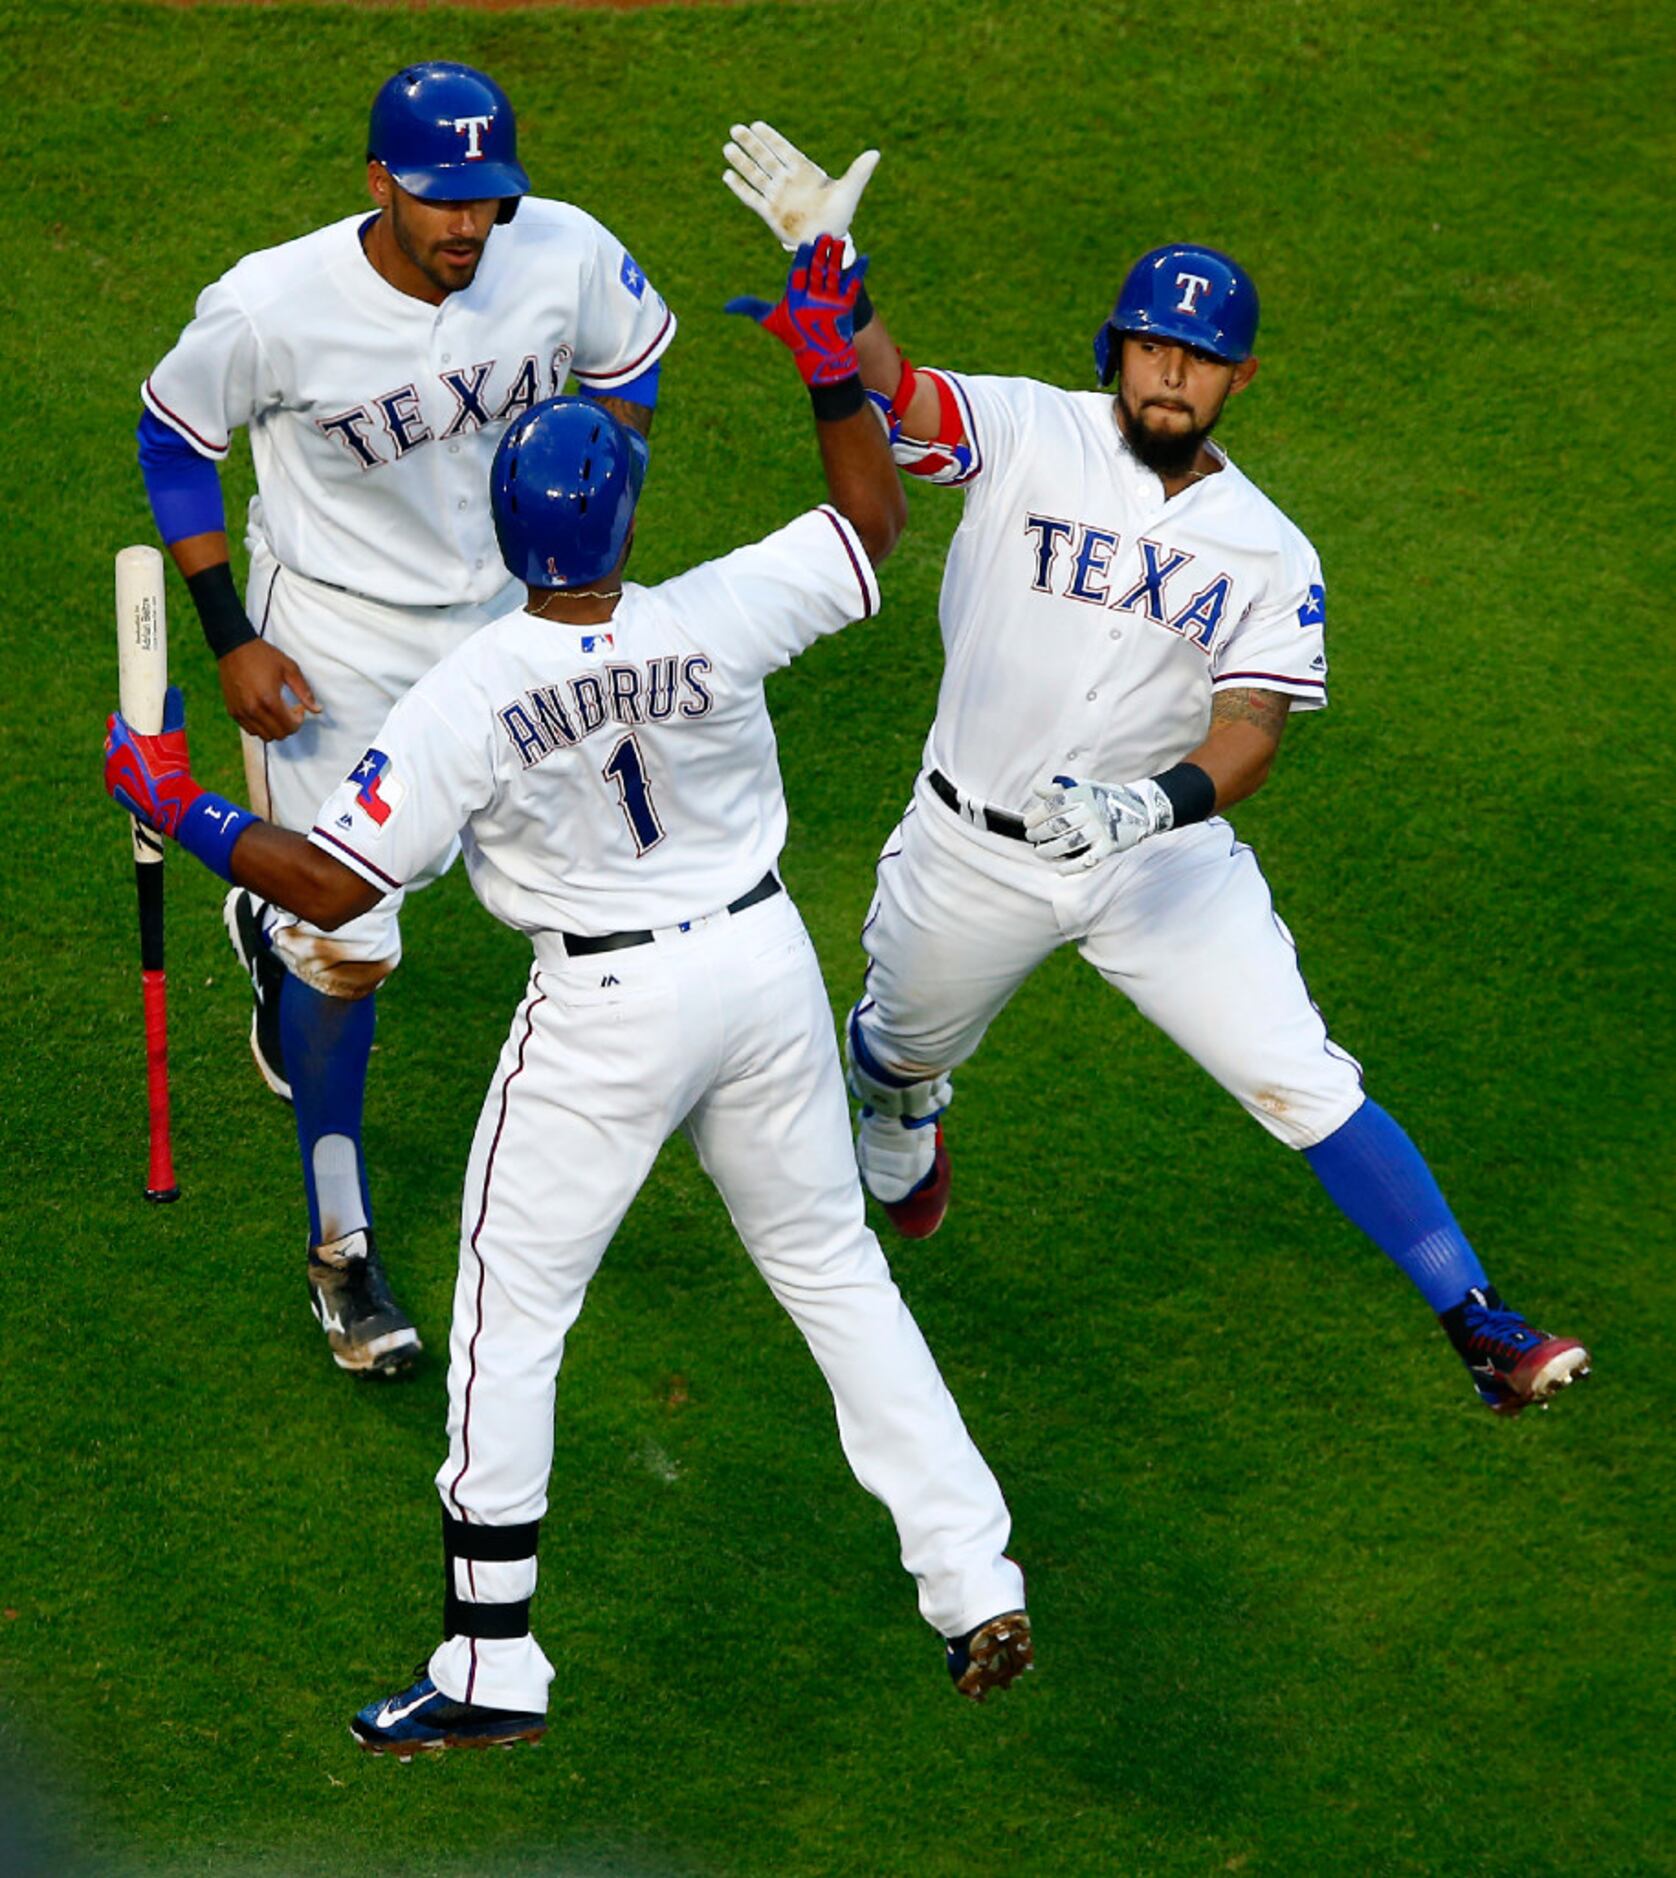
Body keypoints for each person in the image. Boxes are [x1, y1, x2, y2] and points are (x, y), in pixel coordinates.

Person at [105, 237, 1033, 1757]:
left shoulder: (465, 692)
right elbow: (871, 521)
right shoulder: (713, 612)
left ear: (501, 520)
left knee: (510, 1309)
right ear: (624, 508)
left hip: (608, 1013)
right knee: (831, 1270)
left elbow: (335, 887)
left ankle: (489, 1662)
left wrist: (187, 802)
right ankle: (971, 1575)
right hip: (762, 968)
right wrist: (825, 367)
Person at [722, 126, 1589, 1417]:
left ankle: (1477, 1320)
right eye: (1151, 344)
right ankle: (905, 1109)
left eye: (1199, 355)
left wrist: (1152, 801)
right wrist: (833, 271)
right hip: (971, 852)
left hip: (1158, 864)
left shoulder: (1270, 548)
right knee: (896, 1054)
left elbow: (1252, 724)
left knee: (1302, 1075)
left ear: (1238, 377)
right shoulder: (1029, 431)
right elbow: (900, 397)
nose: (1171, 370)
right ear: (1116, 350)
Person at [137, 61, 676, 1375]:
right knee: (346, 940)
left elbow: (630, 373)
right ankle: (342, 1252)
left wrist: (586, 523)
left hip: (511, 620)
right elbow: (173, 439)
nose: (467, 230)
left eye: (489, 201)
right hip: (329, 645)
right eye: (440, 201)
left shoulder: (564, 254)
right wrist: (234, 642)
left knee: (606, 886)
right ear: (379, 183)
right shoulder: (270, 307)